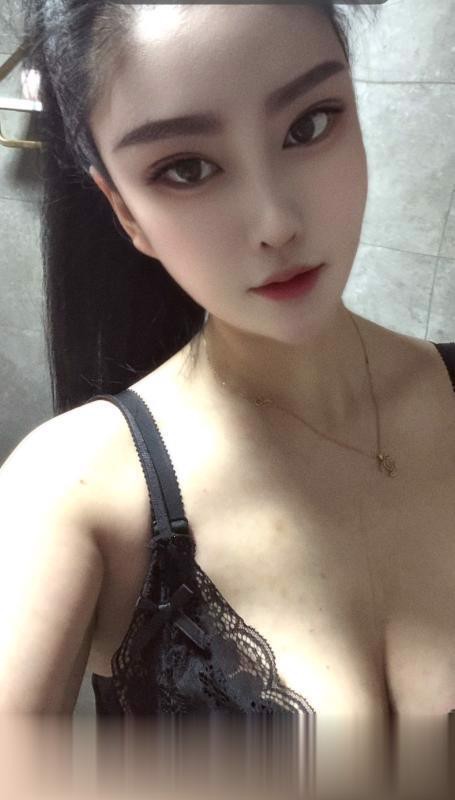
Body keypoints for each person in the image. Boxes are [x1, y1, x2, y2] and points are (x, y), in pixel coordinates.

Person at [1, 1, 455, 795]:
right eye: (185, 168)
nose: (275, 222)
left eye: (309, 124)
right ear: (126, 213)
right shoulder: (73, 490)